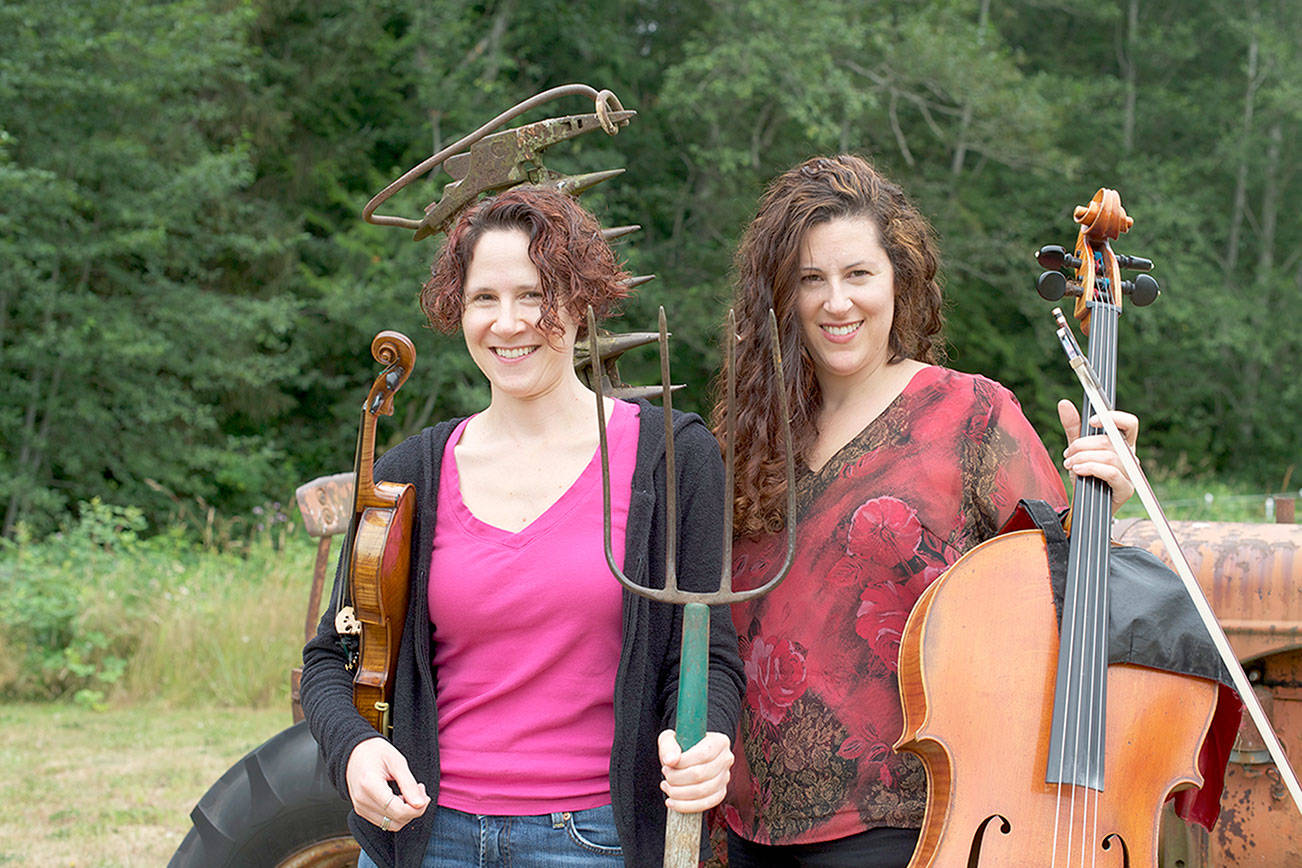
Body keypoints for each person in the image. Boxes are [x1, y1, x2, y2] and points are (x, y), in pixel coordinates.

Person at [711, 154, 1140, 867]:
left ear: (898, 279)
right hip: (747, 828)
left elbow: (1061, 603)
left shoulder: (972, 415)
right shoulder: (753, 435)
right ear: (780, 295)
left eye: (857, 275)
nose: (835, 302)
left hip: (911, 825)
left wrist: (1103, 503)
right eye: (810, 279)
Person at [300, 186, 744, 868]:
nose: (510, 323)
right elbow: (331, 658)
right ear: (459, 308)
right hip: (426, 837)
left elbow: (708, 652)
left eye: (536, 295)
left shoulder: (671, 460)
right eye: (485, 298)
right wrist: (354, 749)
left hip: (594, 841)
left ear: (582, 299)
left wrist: (708, 738)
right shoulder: (409, 473)